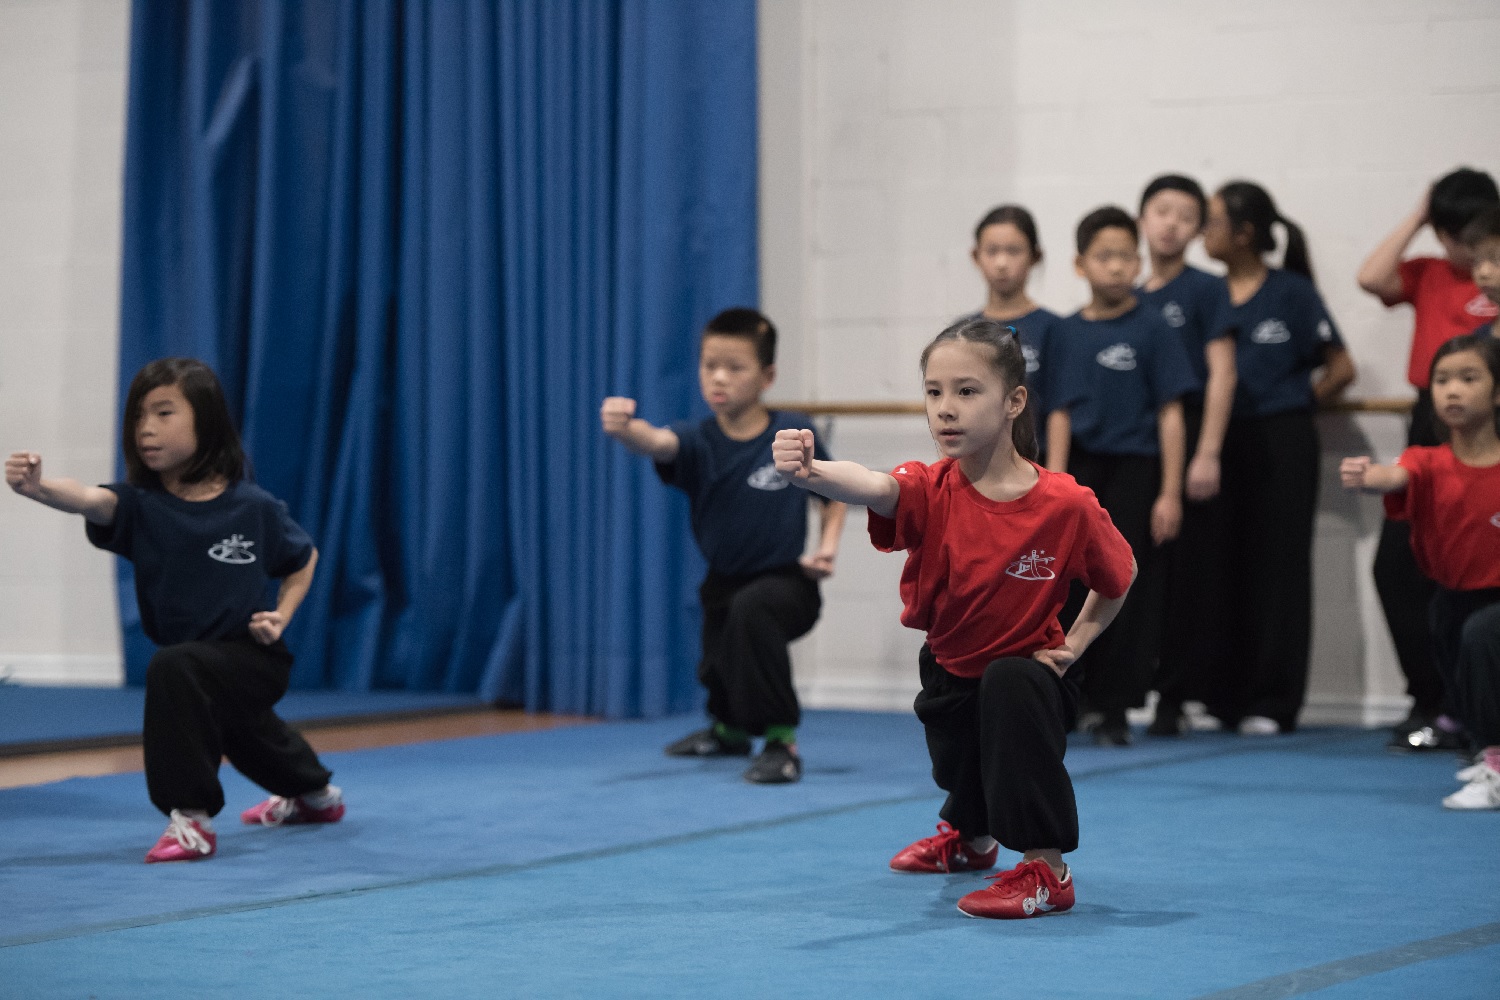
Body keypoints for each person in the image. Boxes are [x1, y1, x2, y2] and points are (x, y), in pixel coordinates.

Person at [770, 317, 1135, 919]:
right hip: (948, 665)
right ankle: (971, 841)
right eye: (934, 392)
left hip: (1028, 677)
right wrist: (812, 473)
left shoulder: (1066, 504)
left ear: (1014, 401)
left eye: (967, 392)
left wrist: (1075, 643)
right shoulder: (930, 486)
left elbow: (1118, 578)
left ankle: (1048, 869)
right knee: (960, 761)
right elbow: (877, 486)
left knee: (1009, 689)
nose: (946, 409)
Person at [5, 358, 343, 863]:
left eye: (164, 414)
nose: (146, 429)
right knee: (239, 727)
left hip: (252, 657)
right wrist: (39, 488)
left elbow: (303, 557)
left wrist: (282, 614)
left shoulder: (252, 507)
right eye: (140, 416)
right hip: (197, 667)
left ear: (205, 422)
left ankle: (191, 818)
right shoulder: (140, 505)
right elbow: (88, 499)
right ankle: (316, 797)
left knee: (177, 670)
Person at [600, 308, 846, 784]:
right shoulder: (696, 440)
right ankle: (729, 730)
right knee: (718, 655)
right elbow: (657, 442)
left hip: (788, 583)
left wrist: (828, 549)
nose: (719, 377)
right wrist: (627, 429)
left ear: (767, 376)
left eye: (735, 367)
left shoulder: (791, 431)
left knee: (752, 611)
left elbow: (833, 498)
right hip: (724, 580)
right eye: (709, 365)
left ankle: (781, 740)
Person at [1201, 181, 1356, 734]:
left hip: (1282, 439)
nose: (1203, 230)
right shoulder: (1210, 294)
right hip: (1220, 442)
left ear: (1244, 233)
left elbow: (1341, 368)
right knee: (1225, 563)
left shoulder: (1292, 292)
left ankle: (1273, 699)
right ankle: (1223, 696)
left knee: (1280, 565)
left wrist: (1293, 403)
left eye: (1213, 220)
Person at [1357, 168, 1500, 751]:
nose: (1468, 256)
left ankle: (1476, 719)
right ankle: (1435, 699)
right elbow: (1371, 275)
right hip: (1432, 426)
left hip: (1487, 431)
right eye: (1453, 236)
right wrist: (1420, 214)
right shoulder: (1434, 271)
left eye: (1480, 244)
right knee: (1402, 569)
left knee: (1480, 581)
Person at [1045, 206, 1198, 746]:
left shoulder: (1154, 326)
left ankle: (1116, 705)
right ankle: (1069, 697)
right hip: (1082, 469)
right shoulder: (1065, 332)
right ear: (1080, 264)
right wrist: (1055, 486)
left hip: (1137, 468)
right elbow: (1058, 410)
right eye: (1104, 256)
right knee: (1066, 587)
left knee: (1124, 585)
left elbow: (1170, 412)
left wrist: (1170, 492)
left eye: (1126, 256)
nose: (1117, 267)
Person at [1341, 333, 1500, 808]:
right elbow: (1399, 474)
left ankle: (1496, 761)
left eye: (1469, 379)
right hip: (1452, 595)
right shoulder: (1427, 460)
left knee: (1479, 637)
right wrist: (1370, 478)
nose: (1453, 390)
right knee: (1454, 656)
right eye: (1442, 380)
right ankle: (1482, 748)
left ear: (1497, 392)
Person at [1134, 175, 1239, 737]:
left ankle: (1177, 694)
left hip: (1193, 430)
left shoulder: (1206, 289)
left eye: (1185, 215)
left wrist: (1208, 452)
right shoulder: (1128, 294)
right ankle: (1118, 688)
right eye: (1161, 211)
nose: (1171, 223)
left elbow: (1223, 371)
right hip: (1139, 440)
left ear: (1198, 229)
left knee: (1189, 574)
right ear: (1142, 218)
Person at [962, 205, 1063, 455]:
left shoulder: (1055, 328)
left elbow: (1060, 411)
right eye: (992, 251)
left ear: (1035, 256)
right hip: (978, 468)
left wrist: (1057, 481)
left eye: (1014, 251)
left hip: (1038, 468)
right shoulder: (962, 332)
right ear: (976, 256)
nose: (1002, 263)